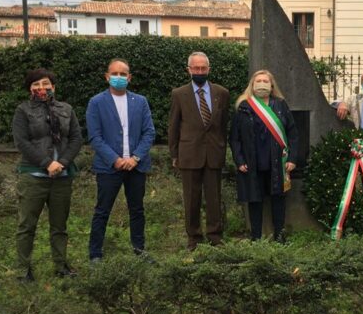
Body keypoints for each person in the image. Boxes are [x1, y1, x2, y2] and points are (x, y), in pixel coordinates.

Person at [12, 68, 82, 280]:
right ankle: (23, 270)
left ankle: (61, 266)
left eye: (45, 84)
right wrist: (46, 163)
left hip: (62, 177)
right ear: (29, 89)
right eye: (36, 85)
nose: (41, 88)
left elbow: (76, 139)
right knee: (27, 226)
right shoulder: (22, 111)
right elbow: (22, 142)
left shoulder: (66, 109)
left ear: (54, 86)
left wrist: (61, 162)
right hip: (33, 177)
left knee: (59, 226)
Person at [86, 58, 156, 264]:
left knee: (137, 210)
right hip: (109, 167)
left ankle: (139, 250)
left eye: (123, 74)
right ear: (107, 77)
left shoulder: (140, 101)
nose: (119, 77)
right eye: (114, 74)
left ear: (129, 77)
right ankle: (95, 254)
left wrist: (135, 157)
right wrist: (115, 159)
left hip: (136, 166)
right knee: (102, 210)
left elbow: (149, 132)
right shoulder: (96, 102)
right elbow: (95, 137)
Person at [168, 51, 230, 250]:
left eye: (203, 68)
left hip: (213, 154)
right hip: (189, 154)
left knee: (214, 198)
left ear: (209, 69)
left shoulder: (222, 93)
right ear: (189, 70)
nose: (200, 71)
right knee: (191, 199)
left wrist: (222, 148)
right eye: (196, 68)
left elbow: (224, 125)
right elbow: (173, 126)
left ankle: (215, 236)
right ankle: (193, 238)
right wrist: (174, 154)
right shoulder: (179, 94)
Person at [230, 70, 299, 242]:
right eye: (258, 81)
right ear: (252, 85)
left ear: (271, 85)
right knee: (255, 200)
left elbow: (293, 133)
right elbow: (234, 138)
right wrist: (239, 160)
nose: (262, 84)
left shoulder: (280, 105)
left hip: (277, 162)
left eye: (265, 81)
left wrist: (292, 158)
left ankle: (279, 236)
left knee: (278, 199)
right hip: (252, 163)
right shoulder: (243, 107)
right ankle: (256, 238)